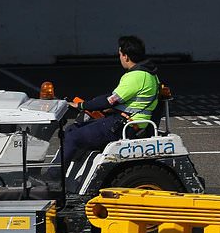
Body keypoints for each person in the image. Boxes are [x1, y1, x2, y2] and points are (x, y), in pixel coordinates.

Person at [59, 35, 160, 168]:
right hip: (126, 121)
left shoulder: (136, 77)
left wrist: (81, 105)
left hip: (125, 125)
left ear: (126, 56)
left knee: (73, 137)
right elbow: (119, 99)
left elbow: (109, 101)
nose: (120, 58)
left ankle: (54, 178)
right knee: (72, 130)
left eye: (120, 54)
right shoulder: (148, 74)